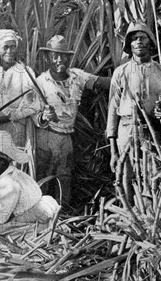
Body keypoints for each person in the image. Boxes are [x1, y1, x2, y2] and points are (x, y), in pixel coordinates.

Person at [35, 35, 111, 205]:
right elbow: (32, 112)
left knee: (65, 177)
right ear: (47, 57)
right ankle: (40, 214)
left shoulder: (77, 76)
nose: (59, 60)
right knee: (44, 177)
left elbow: (100, 82)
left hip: (67, 137)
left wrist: (124, 77)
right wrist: (43, 117)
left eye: (63, 56)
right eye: (54, 56)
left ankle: (62, 215)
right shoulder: (40, 82)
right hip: (47, 136)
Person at [106, 21, 161, 198]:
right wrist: (113, 151)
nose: (138, 42)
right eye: (134, 39)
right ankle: (128, 219)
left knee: (154, 175)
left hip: (154, 131)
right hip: (127, 130)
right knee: (125, 176)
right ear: (129, 44)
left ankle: (152, 218)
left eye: (142, 38)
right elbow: (113, 110)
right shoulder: (121, 72)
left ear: (150, 42)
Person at [0, 29, 40, 177]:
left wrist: (6, 117)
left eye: (13, 47)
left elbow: (33, 105)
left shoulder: (26, 73)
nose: (10, 51)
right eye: (5, 47)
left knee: (14, 168)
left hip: (16, 128)